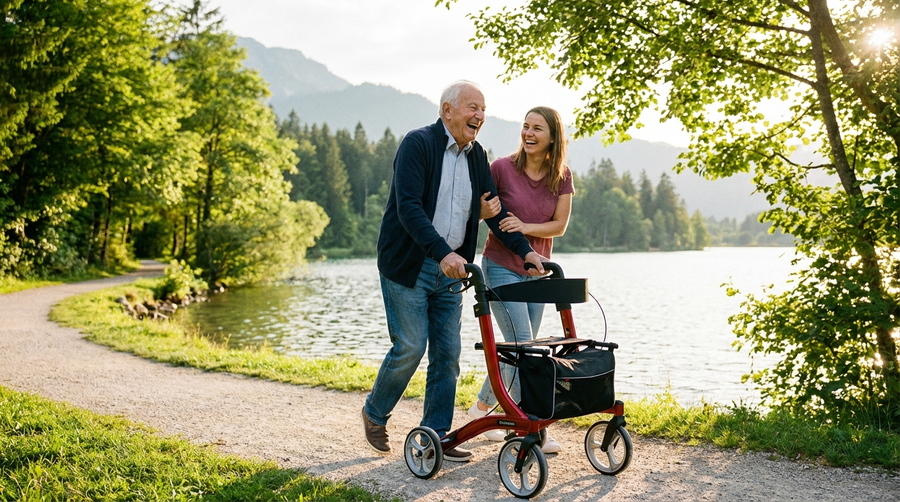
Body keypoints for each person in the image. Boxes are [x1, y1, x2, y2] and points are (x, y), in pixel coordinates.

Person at [361, 80, 546, 462]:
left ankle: (436, 438)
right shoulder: (418, 144)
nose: (479, 115)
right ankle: (374, 413)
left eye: (483, 109)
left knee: (448, 355)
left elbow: (493, 215)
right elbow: (408, 207)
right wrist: (442, 252)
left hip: (453, 271)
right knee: (411, 347)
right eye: (472, 107)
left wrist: (526, 252)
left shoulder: (477, 156)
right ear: (447, 110)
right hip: (408, 265)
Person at [466, 106, 574, 454]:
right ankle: (533, 424)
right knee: (525, 346)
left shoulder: (562, 176)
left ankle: (482, 409)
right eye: (525, 127)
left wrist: (525, 227)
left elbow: (559, 226)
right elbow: (482, 211)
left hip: (538, 272)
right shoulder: (500, 168)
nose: (528, 133)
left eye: (537, 129)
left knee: (521, 349)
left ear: (552, 137)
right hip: (500, 264)